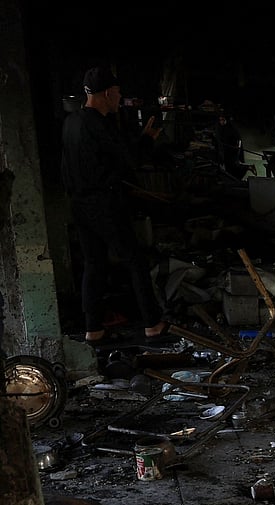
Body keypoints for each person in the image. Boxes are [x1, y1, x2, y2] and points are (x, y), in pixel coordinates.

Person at [60, 66, 169, 343]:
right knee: (135, 260)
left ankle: (93, 329)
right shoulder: (99, 123)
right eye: (118, 94)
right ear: (108, 93)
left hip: (78, 204)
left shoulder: (71, 122)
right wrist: (146, 140)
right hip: (103, 204)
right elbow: (129, 161)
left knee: (94, 264)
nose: (120, 99)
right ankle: (152, 325)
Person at [213, 113, 249, 180]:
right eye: (220, 120)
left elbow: (238, 139)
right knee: (228, 167)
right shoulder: (220, 128)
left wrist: (237, 149)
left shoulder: (232, 129)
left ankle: (247, 168)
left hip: (232, 152)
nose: (221, 122)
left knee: (233, 167)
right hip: (226, 151)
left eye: (223, 120)